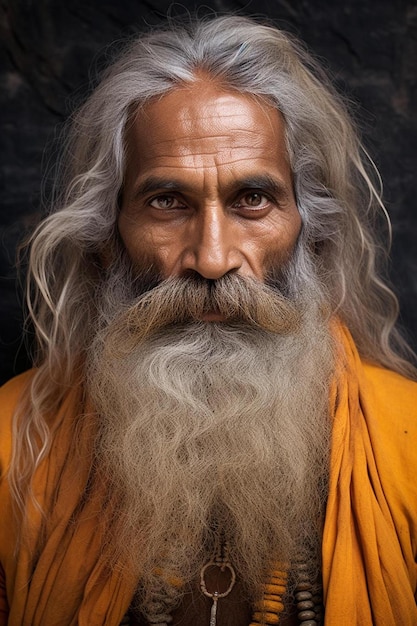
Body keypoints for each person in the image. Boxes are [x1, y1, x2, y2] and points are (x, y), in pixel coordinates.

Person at [0, 14, 416, 626]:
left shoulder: (406, 446)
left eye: (254, 199)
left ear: (311, 227)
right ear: (106, 234)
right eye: (167, 202)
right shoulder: (12, 449)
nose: (213, 259)